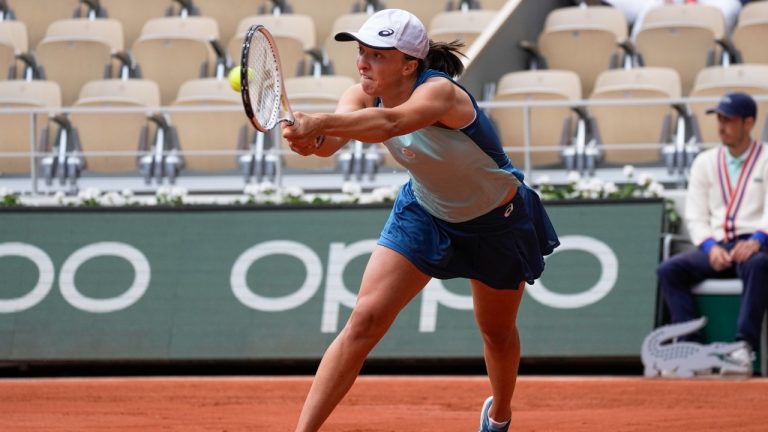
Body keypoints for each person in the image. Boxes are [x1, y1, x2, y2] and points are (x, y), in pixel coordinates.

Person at [281, 8, 559, 432]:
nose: (362, 63)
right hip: (425, 212)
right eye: (361, 52)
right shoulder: (359, 95)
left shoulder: (442, 94)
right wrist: (309, 140)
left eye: (377, 55)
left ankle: (499, 415)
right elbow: (329, 143)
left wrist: (318, 122)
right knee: (365, 320)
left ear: (410, 64)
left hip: (497, 223)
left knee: (496, 333)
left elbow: (390, 123)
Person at [656, 91, 768, 376]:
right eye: (719, 119)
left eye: (728, 119)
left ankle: (744, 348)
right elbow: (695, 214)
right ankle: (692, 350)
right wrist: (709, 246)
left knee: (757, 265)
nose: (721, 126)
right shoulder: (704, 161)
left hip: (755, 245)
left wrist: (758, 240)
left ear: (748, 123)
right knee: (669, 270)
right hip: (717, 247)